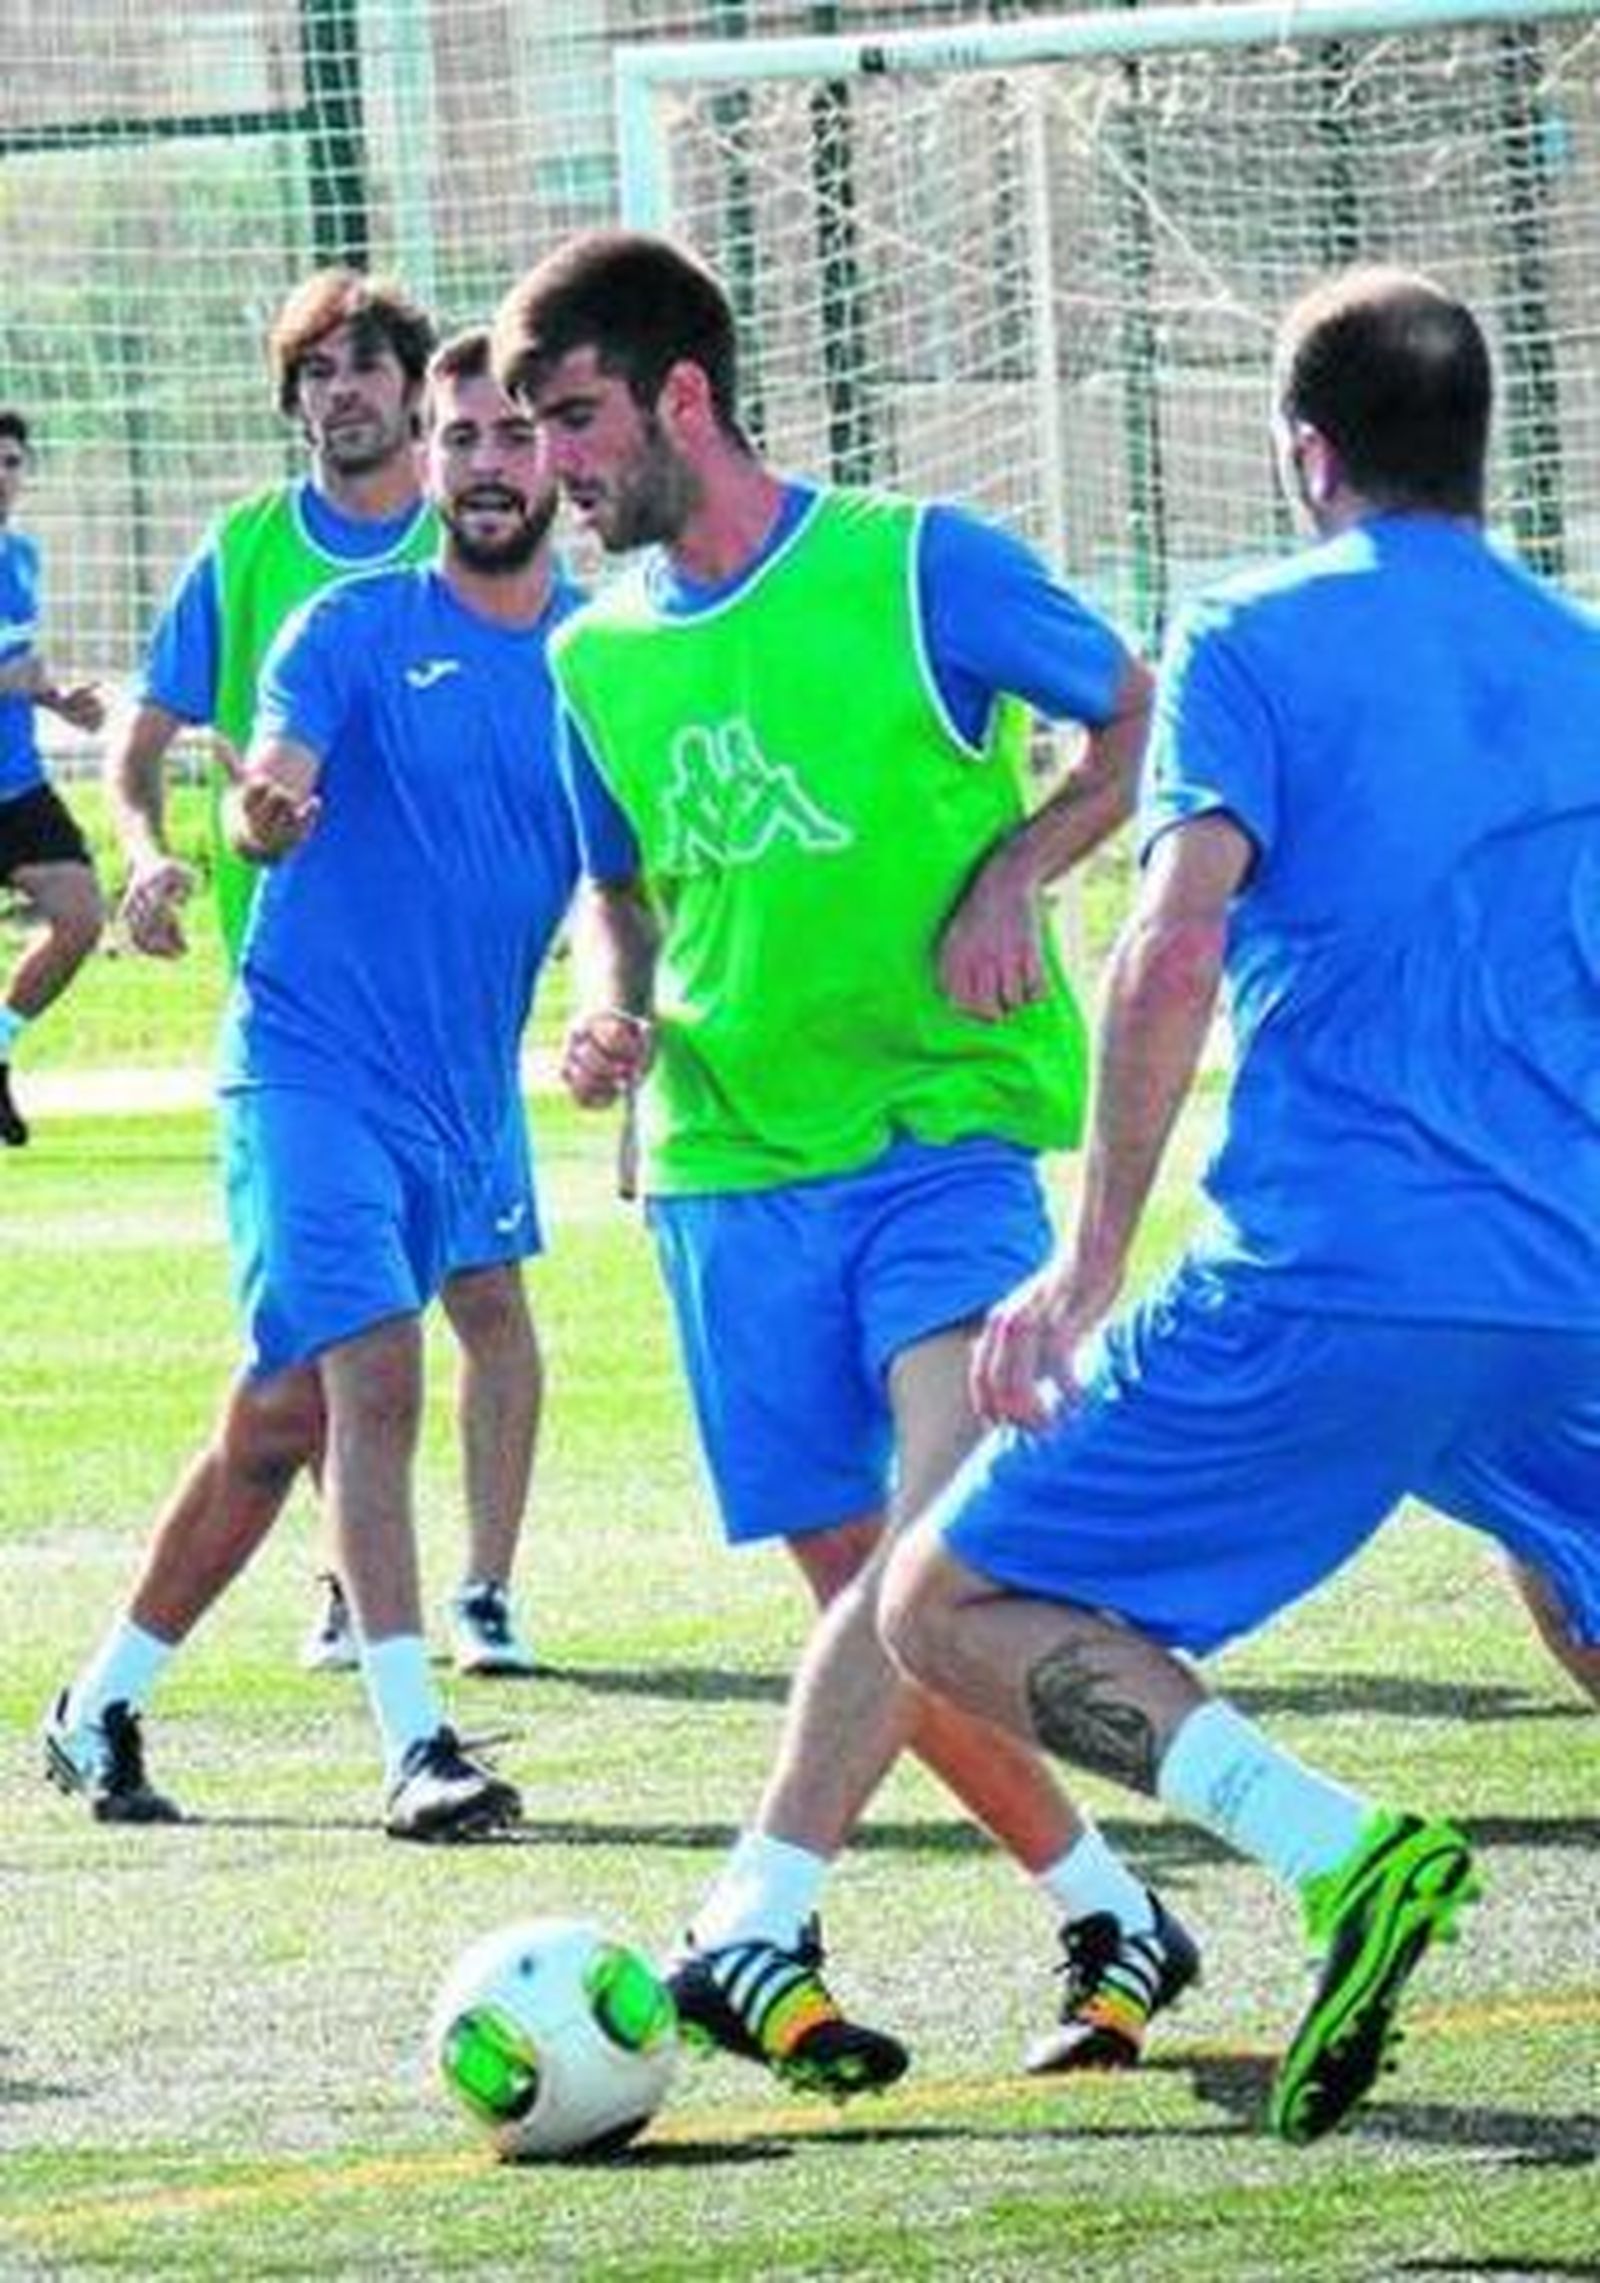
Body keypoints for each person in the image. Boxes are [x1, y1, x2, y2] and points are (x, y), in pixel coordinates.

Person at [879, 265, 1600, 2143]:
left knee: (940, 1599)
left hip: (1329, 1274)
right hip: (1567, 1283)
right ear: (1481, 451)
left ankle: (1339, 1846)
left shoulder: (1250, 630)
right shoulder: (1584, 655)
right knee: (1580, 1603)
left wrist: (1088, 1258)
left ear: (1307, 454)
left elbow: (1174, 937)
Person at [491, 230, 1194, 2098]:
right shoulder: (594, 652)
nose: (552, 463)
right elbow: (619, 889)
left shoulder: (916, 567)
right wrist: (607, 1009)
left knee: (932, 1561)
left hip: (935, 1142)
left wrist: (1012, 867)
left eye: (573, 420)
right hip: (725, 1171)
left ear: (681, 398)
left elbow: (1143, 715)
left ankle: (754, 1911)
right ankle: (1116, 1905)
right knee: (881, 1611)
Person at [44, 329, 581, 1840]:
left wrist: (625, 1010)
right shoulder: (344, 628)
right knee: (375, 1371)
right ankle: (416, 1737)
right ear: (430, 451)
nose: (486, 461)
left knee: (278, 1417)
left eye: (514, 434)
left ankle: (94, 1707)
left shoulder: (605, 655)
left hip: (458, 1098)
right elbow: (272, 781)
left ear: (560, 461)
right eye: (461, 434)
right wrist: (261, 820)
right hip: (305, 1062)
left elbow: (629, 881)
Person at [0, 407, 107, 1145]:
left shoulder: (23, 558)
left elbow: (19, 669)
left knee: (81, 915)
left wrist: (57, 698)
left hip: (16, 784)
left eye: (12, 461)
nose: (3, 475)